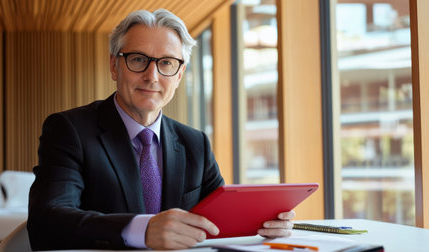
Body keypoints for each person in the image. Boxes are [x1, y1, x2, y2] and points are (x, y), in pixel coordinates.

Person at [27, 9, 295, 250]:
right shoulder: (69, 129)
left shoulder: (195, 143)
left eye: (166, 63)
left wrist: (263, 225)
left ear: (179, 75)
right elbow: (48, 220)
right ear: (114, 65)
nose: (152, 76)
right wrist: (142, 230)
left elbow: (219, 220)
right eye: (138, 59)